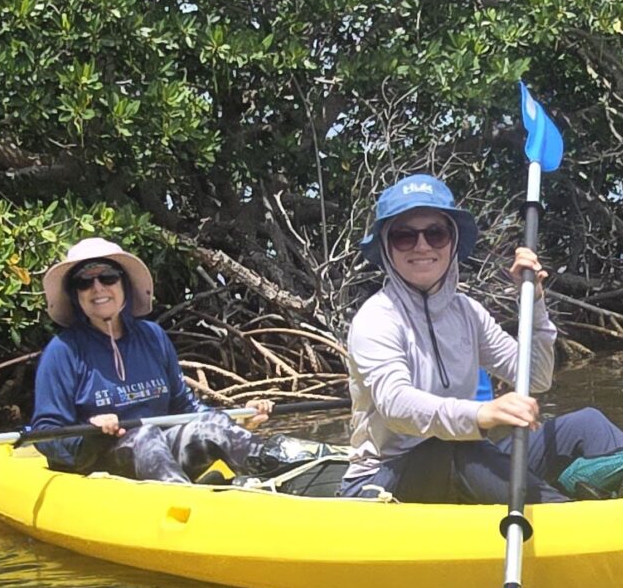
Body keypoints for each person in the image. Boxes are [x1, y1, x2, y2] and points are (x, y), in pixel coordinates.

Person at [341, 173, 623, 504]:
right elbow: (397, 406)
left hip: (466, 454)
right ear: (387, 247)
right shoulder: (376, 318)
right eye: (404, 236)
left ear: (453, 242)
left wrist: (533, 303)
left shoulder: (468, 312)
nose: (422, 246)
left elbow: (534, 377)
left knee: (588, 423)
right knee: (454, 449)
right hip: (384, 477)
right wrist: (481, 414)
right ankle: (573, 522)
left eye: (435, 233)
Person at [31, 237, 312, 483]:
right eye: (84, 281)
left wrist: (234, 422)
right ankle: (186, 504)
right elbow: (46, 433)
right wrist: (91, 433)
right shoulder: (62, 351)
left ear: (124, 284)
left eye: (107, 277)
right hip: (103, 461)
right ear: (74, 293)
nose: (98, 288)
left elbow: (185, 406)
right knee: (144, 436)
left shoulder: (152, 337)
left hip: (162, 452)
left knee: (212, 424)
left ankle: (291, 470)